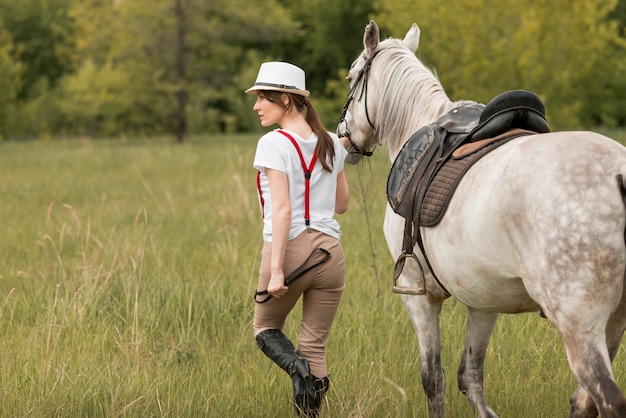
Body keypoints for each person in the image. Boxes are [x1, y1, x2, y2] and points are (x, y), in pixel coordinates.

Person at [246, 61, 349, 417]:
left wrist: (276, 270)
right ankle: (310, 411)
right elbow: (343, 204)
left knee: (264, 328)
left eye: (263, 98)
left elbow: (284, 212)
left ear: (286, 100)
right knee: (314, 347)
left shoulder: (272, 143)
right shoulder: (333, 142)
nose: (257, 105)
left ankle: (295, 369)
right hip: (330, 253)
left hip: (290, 250)